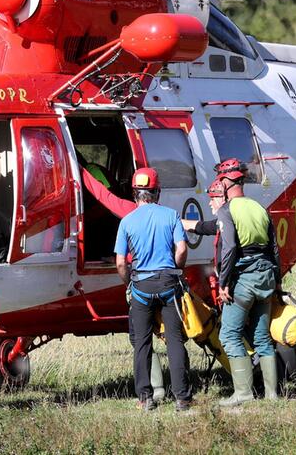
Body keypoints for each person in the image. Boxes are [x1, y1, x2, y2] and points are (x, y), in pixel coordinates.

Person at [184, 159, 281, 406]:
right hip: (266, 277)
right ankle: (272, 396)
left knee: (228, 334)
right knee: (261, 338)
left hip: (243, 280)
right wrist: (276, 283)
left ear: (226, 183)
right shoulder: (259, 207)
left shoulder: (228, 210)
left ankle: (244, 394)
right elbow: (274, 247)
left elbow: (229, 248)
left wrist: (224, 283)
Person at [114, 167, 192, 411]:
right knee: (174, 340)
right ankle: (182, 398)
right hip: (169, 284)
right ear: (157, 192)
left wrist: (129, 283)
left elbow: (119, 262)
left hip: (141, 287)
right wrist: (176, 269)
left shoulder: (126, 222)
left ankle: (146, 398)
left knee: (142, 343)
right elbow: (181, 250)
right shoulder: (170, 216)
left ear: (135, 193)